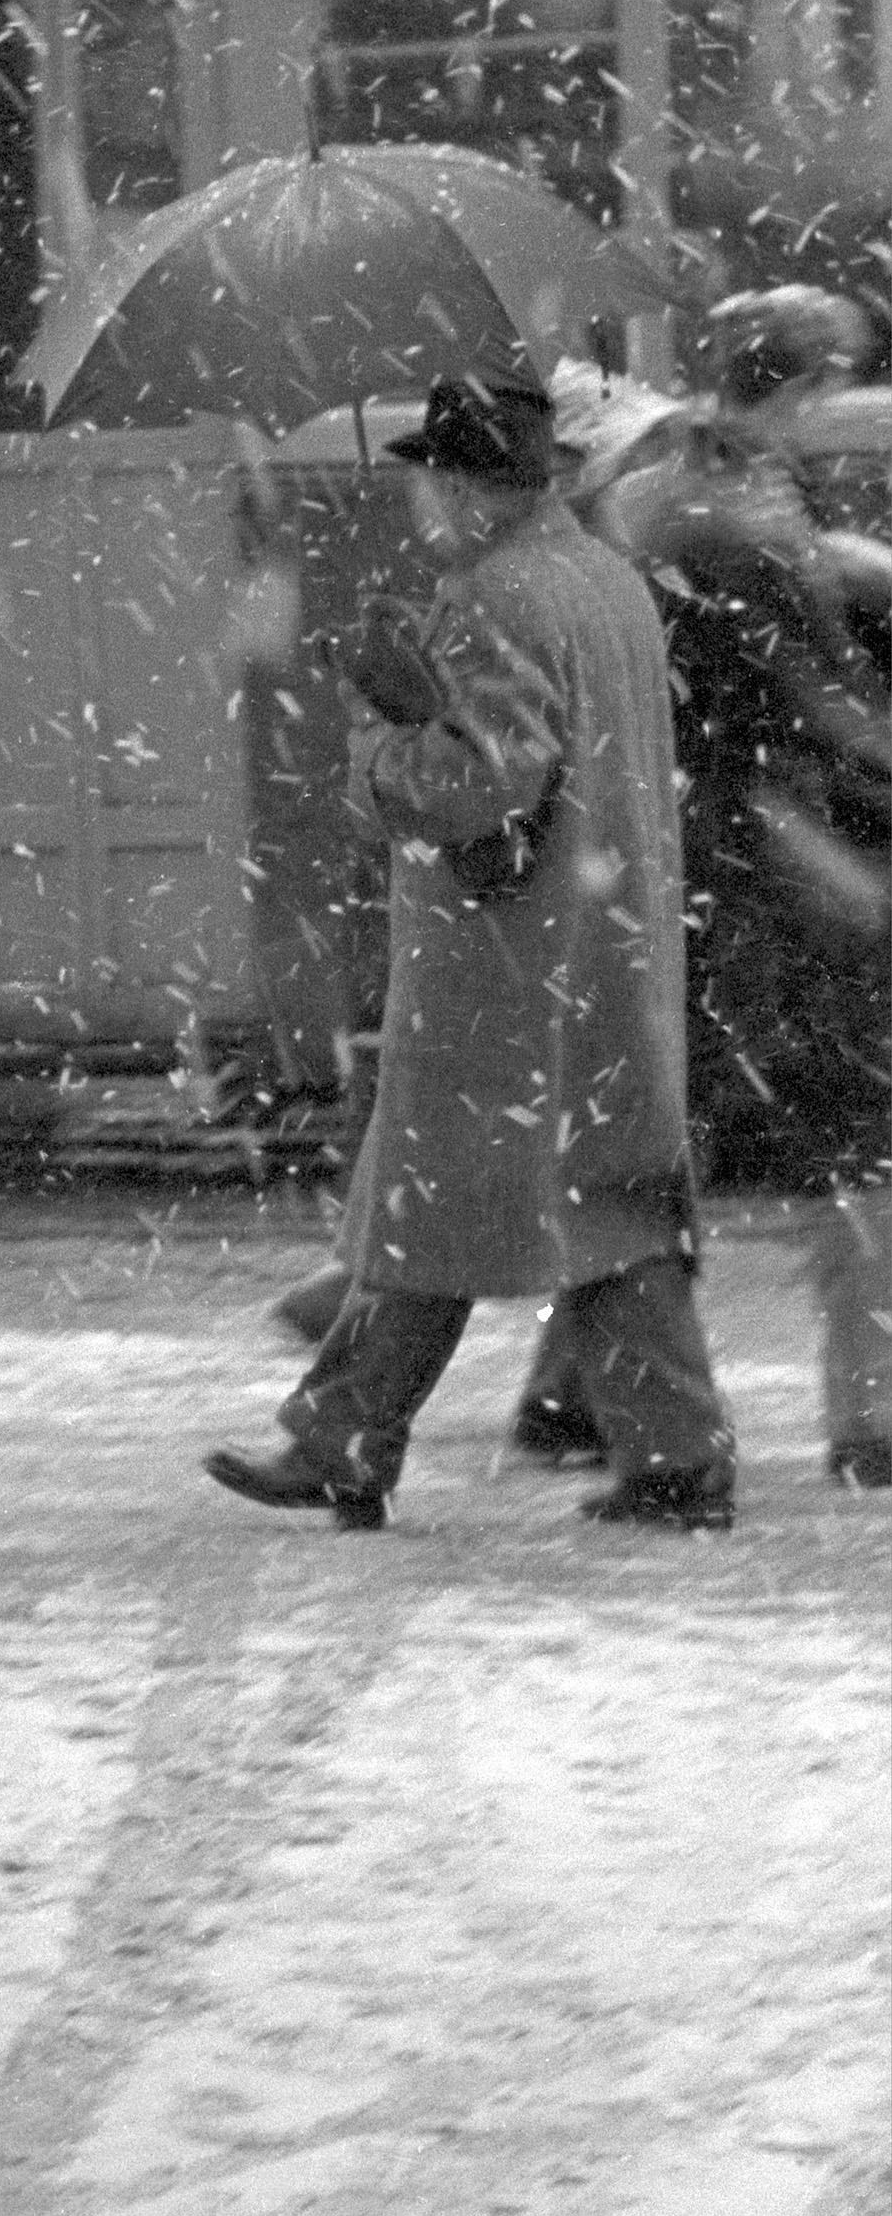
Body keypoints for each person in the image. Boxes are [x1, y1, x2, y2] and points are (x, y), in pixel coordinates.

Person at [207, 367, 737, 1532]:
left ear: (459, 483)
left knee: (437, 1197)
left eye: (429, 481)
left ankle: (343, 1438)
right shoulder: (609, 582)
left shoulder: (494, 594)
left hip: (506, 960)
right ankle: (671, 1455)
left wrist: (377, 737)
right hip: (609, 941)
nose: (419, 505)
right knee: (606, 1202)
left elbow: (480, 779)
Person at [513, 297, 891, 1487]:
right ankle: (871, 1418)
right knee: (853, 1142)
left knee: (657, 1143)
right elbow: (808, 701)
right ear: (812, 377)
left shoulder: (681, 481)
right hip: (766, 864)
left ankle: (570, 1390)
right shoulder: (734, 509)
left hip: (677, 866)